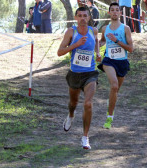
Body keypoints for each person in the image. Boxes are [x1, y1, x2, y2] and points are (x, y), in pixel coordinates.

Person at [57, 7, 101, 150]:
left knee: (88, 104)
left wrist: (98, 53)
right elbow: (60, 52)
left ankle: (85, 137)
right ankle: (70, 115)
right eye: (80, 15)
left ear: (89, 17)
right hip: (75, 74)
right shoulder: (71, 32)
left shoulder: (93, 30)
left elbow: (96, 42)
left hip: (90, 73)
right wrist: (76, 44)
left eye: (85, 15)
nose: (82, 18)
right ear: (76, 18)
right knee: (73, 103)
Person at [98, 2, 133, 129]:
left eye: (117, 10)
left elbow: (131, 48)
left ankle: (110, 109)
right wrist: (98, 46)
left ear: (120, 13)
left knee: (116, 90)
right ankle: (109, 118)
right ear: (109, 13)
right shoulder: (105, 28)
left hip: (122, 62)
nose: (114, 12)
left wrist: (117, 41)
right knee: (114, 86)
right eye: (112, 10)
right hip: (109, 60)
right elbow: (102, 41)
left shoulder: (125, 28)